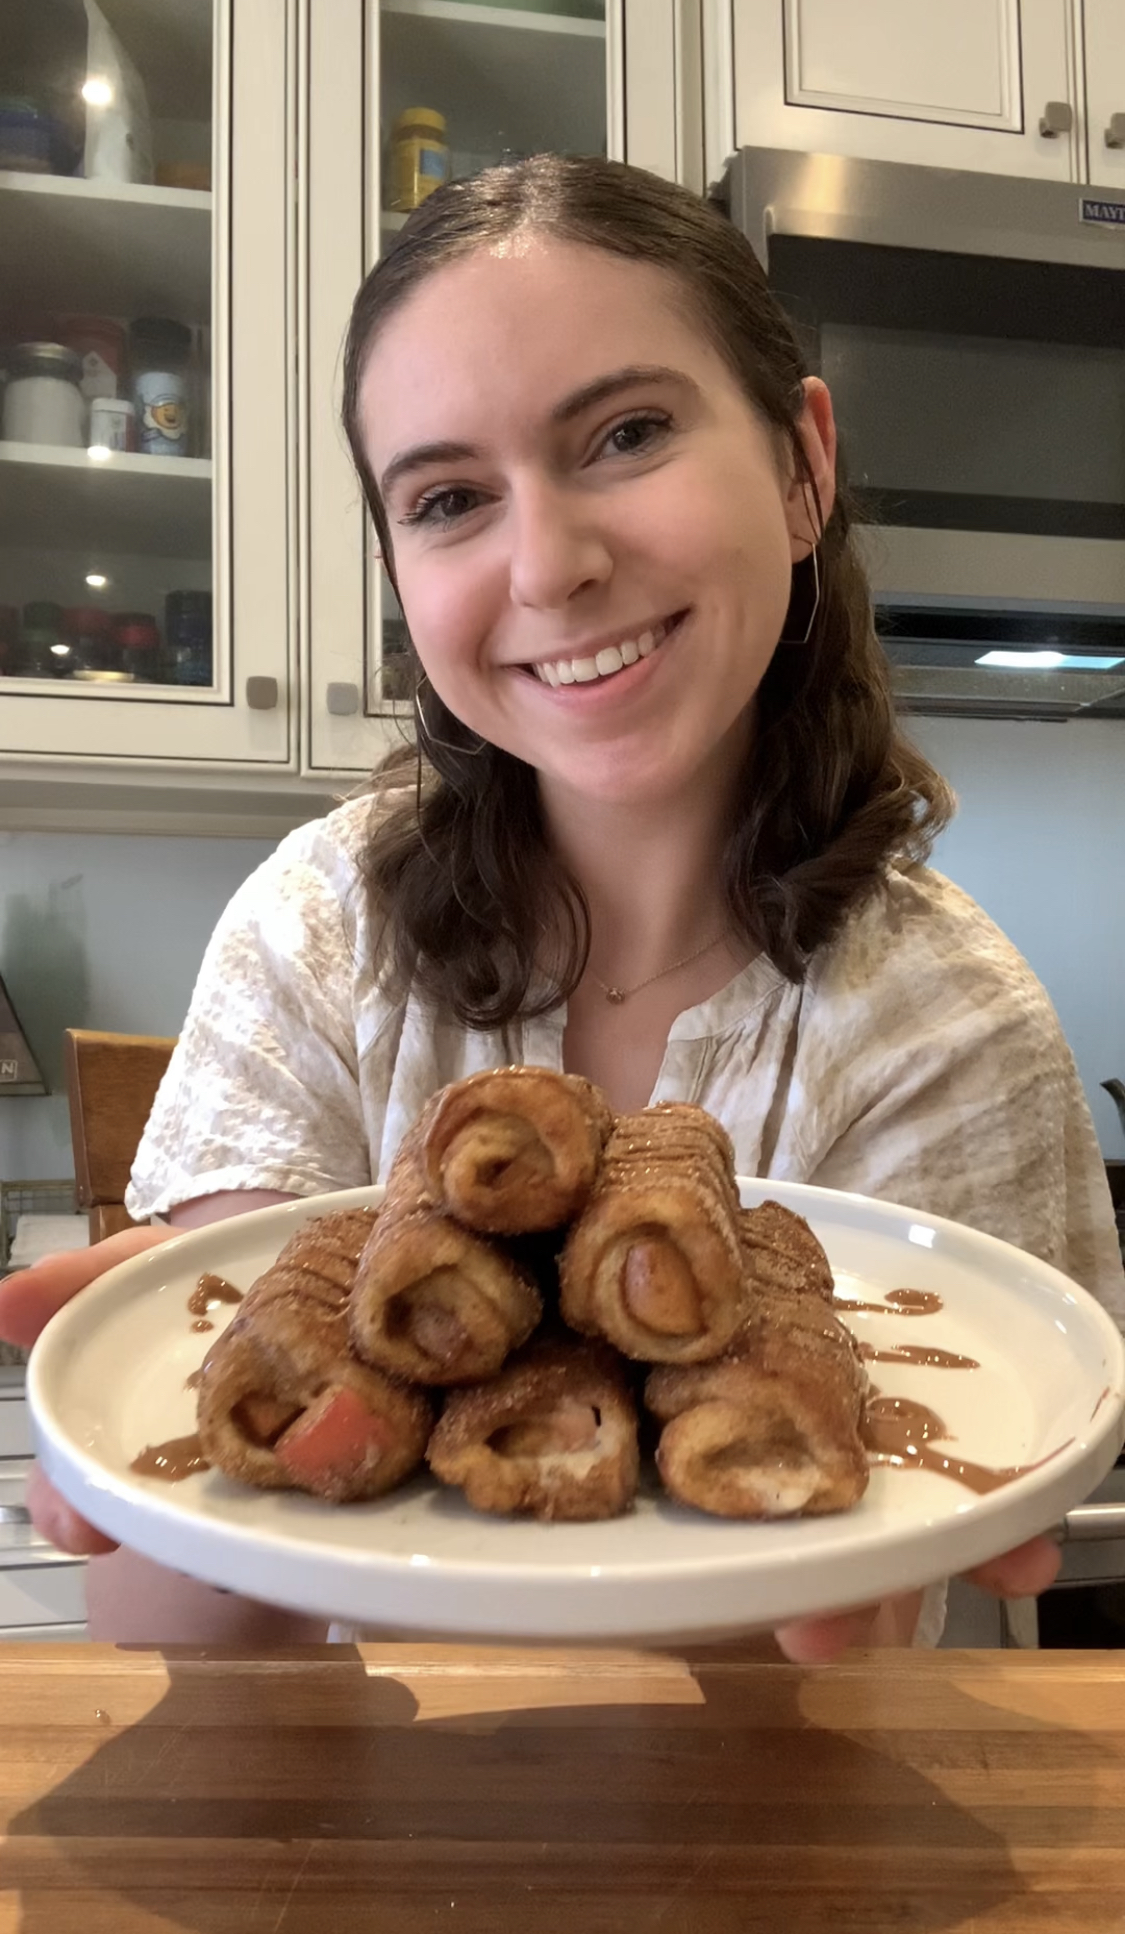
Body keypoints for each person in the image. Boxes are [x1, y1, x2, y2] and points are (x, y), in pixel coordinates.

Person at [2, 156, 1118, 1654]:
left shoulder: (946, 1021)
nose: (549, 563)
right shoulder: (319, 930)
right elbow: (182, 1648)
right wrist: (203, 1434)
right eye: (451, 497)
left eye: (627, 433)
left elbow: (841, 1653)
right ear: (399, 564)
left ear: (801, 466)